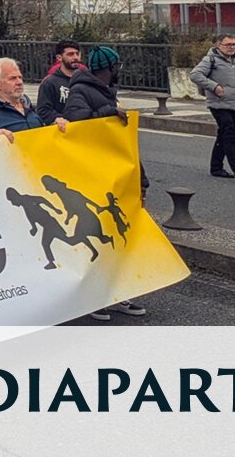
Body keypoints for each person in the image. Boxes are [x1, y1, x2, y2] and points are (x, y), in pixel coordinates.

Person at [60, 47, 149, 321]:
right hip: (96, 175)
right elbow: (78, 125)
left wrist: (140, 177)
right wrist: (109, 110)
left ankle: (118, 293)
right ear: (110, 67)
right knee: (98, 240)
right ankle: (94, 298)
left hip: (115, 172)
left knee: (118, 241)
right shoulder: (81, 92)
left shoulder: (104, 89)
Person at [189, 35, 235, 182]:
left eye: (233, 44)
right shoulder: (211, 59)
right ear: (218, 45)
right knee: (229, 135)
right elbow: (194, 75)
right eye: (227, 44)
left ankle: (216, 167)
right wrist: (214, 86)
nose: (231, 47)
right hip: (218, 104)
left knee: (223, 135)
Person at [0, 58, 67, 140]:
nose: (19, 82)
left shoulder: (27, 107)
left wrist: (53, 128)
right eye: (12, 78)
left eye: (20, 77)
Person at [36, 39, 83, 124]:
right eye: (70, 54)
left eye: (77, 53)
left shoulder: (86, 80)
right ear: (59, 57)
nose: (75, 57)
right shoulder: (49, 83)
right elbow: (43, 110)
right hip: (63, 131)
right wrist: (57, 119)